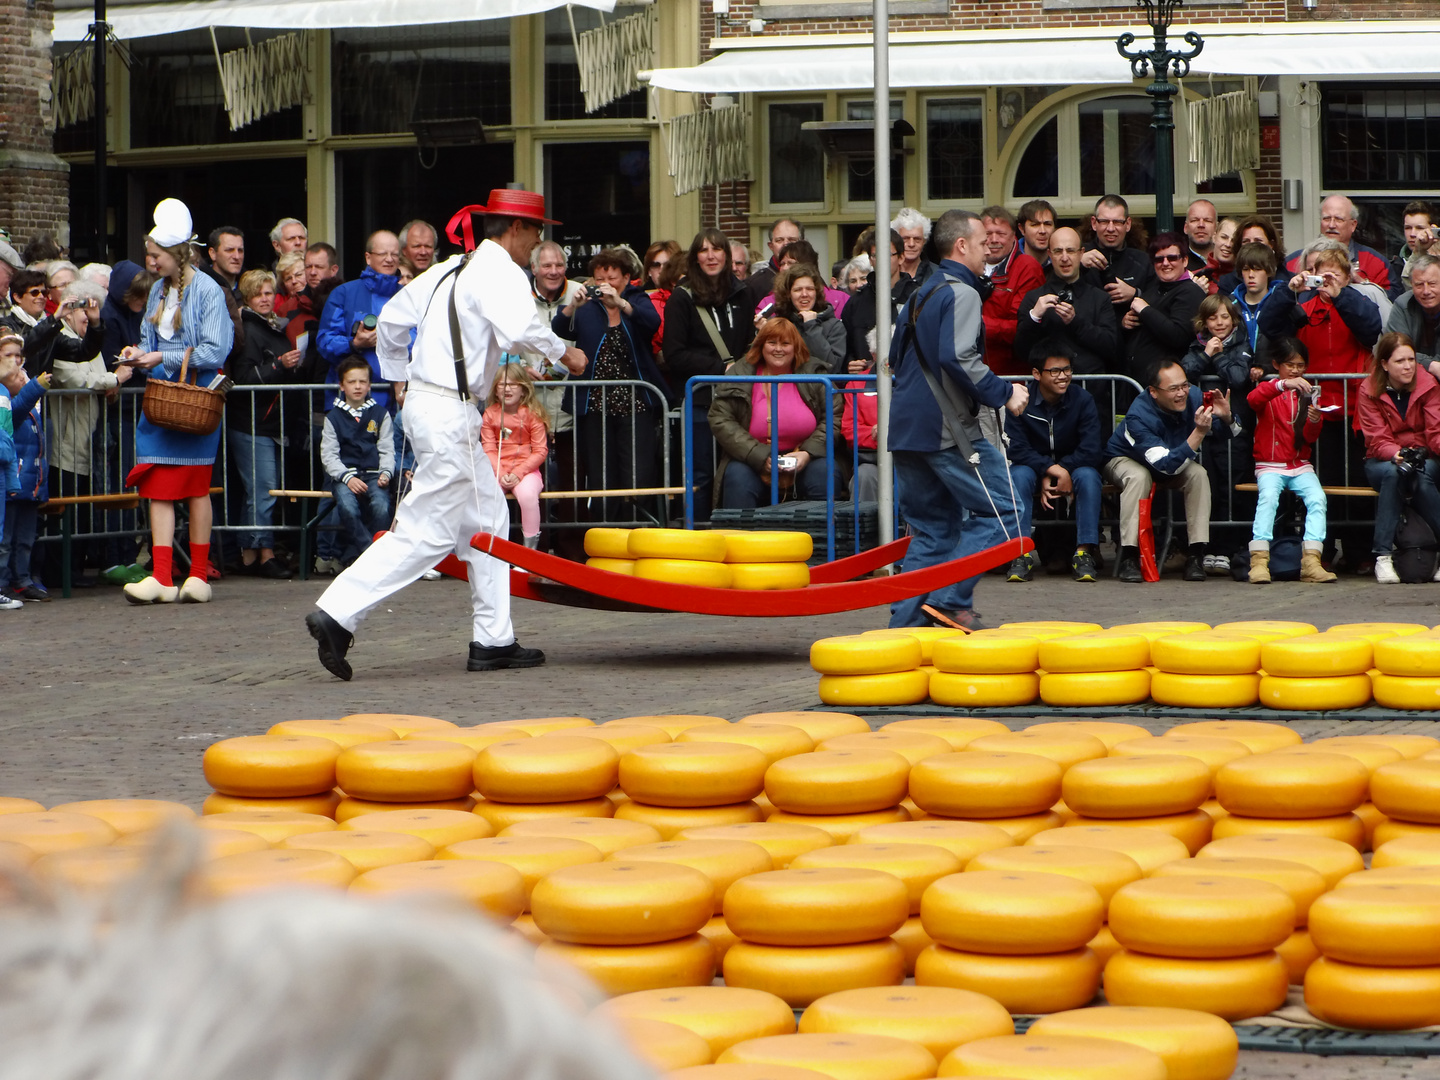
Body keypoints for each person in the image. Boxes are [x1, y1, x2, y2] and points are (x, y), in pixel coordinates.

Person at [305, 190, 586, 679]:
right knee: (425, 533)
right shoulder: (498, 270)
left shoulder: (453, 267)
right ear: (515, 229)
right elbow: (521, 325)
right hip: (450, 413)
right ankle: (337, 611)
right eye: (537, 231)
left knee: (491, 523)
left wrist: (399, 378)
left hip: (435, 405)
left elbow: (392, 318)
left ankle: (493, 640)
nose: (538, 242)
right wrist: (566, 353)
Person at [887, 208, 1027, 631]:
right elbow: (958, 358)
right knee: (1009, 515)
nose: (990, 250)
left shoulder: (919, 291)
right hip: (948, 431)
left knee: (932, 533)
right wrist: (1006, 394)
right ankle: (949, 601)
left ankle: (904, 632)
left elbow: (895, 357)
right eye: (984, 243)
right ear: (961, 245)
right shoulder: (961, 293)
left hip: (908, 427)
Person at [119, 198, 235, 605]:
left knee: (195, 486)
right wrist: (138, 354)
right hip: (162, 403)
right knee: (158, 486)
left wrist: (162, 357)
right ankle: (163, 576)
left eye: (155, 256)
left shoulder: (208, 291)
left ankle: (198, 576)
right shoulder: (156, 292)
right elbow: (149, 342)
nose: (149, 263)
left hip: (195, 402)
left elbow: (215, 351)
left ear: (177, 254)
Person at [554, 247, 666, 521]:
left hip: (635, 402)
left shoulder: (636, 300)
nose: (605, 284)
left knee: (637, 471)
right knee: (602, 472)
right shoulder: (587, 307)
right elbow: (559, 328)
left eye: (613, 278)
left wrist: (621, 303)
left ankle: (638, 525)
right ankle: (607, 529)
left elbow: (652, 322)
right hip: (595, 404)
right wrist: (573, 305)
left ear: (627, 277)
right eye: (599, 278)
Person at [1104, 357, 1232, 583]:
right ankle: (1129, 556)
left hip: (1172, 457)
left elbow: (1232, 433)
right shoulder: (1138, 416)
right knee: (1139, 476)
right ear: (1153, 391)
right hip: (1125, 459)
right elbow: (1166, 467)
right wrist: (1199, 433)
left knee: (1198, 474)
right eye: (1173, 389)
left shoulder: (1193, 395)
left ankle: (1195, 555)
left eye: (1184, 385)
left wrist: (1226, 416)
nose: (1182, 393)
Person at [662, 228, 755, 517]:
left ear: (728, 257)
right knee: (700, 475)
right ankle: (699, 537)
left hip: (740, 399)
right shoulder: (682, 298)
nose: (711, 255)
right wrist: (719, 369)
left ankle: (736, 532)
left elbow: (750, 343)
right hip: (701, 400)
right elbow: (674, 354)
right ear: (695, 258)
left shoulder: (745, 292)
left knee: (740, 469)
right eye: (703, 250)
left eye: (717, 249)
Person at [708, 317, 837, 508]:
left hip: (805, 457)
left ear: (796, 347)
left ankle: (818, 537)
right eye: (772, 343)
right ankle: (740, 537)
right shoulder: (739, 373)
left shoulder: (814, 374)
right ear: (761, 345)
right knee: (737, 479)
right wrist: (757, 455)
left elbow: (834, 416)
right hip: (751, 459)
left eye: (786, 343)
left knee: (825, 473)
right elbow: (720, 418)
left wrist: (808, 452)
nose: (778, 349)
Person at [1003, 338, 1103, 583]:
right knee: (1018, 474)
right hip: (1034, 467)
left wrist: (1063, 469)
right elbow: (1016, 449)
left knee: (1089, 476)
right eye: (1055, 371)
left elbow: (1091, 448)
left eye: (1067, 369)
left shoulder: (1082, 399)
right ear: (1036, 374)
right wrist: (1050, 468)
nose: (1063, 376)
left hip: (1073, 466)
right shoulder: (1020, 400)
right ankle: (1020, 553)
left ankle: (1084, 552)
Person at [227, 268, 302, 579]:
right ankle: (265, 553)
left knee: (258, 490)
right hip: (252, 421)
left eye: (269, 293)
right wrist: (278, 364)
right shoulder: (247, 329)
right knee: (264, 489)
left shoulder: (272, 328)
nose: (264, 299)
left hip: (268, 421)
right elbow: (242, 377)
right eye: (258, 293)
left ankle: (249, 555)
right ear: (247, 297)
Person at [1246, 337, 1335, 584]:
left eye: (1300, 365)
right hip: (1270, 463)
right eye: (1290, 364)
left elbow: (1308, 437)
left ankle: (1311, 562)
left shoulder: (1308, 392)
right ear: (1277, 364)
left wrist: (1316, 420)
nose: (1296, 370)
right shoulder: (1271, 387)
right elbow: (1253, 400)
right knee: (1268, 499)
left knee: (1318, 499)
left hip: (1299, 463)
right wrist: (1282, 384)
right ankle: (1259, 562)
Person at [1358, 332, 1440, 583]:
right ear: (1384, 364)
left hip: (1423, 455)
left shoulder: (1428, 385)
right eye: (1400, 361)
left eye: (1411, 359)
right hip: (1383, 458)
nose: (1408, 366)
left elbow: (1435, 432)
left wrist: (1416, 454)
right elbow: (1376, 438)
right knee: (1394, 475)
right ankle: (1382, 557)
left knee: (1423, 477)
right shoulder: (1368, 389)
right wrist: (1396, 454)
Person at [1182, 293, 1256, 571]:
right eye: (1213, 317)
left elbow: (1238, 377)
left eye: (1225, 316)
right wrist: (1206, 354)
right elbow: (1186, 371)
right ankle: (1209, 547)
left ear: (1233, 319)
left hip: (1232, 426)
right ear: (1204, 321)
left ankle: (1230, 546)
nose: (1219, 322)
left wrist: (1220, 354)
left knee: (1232, 486)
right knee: (1208, 486)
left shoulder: (1241, 343)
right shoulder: (1197, 344)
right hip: (1204, 428)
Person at [1014, 226, 1117, 379]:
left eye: (1070, 251)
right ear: (1049, 254)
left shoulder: (1099, 298)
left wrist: (1076, 323)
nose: (1064, 258)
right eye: (1058, 251)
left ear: (1081, 253)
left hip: (1091, 391)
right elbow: (1020, 351)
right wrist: (1034, 317)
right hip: (1047, 393)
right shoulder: (1035, 298)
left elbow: (1112, 347)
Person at [317, 230, 402, 407]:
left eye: (394, 254)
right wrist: (354, 344)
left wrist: (393, 339)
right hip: (349, 404)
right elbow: (325, 342)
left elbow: (422, 342)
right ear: (368, 257)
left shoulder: (408, 296)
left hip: (397, 400)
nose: (389, 259)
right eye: (382, 254)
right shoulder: (343, 294)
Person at [322, 356, 394, 564]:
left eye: (362, 381)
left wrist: (386, 472)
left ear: (370, 385)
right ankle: (371, 553)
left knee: (381, 505)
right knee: (348, 507)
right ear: (342, 386)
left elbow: (387, 448)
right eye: (352, 382)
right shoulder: (333, 418)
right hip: (345, 476)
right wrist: (346, 477)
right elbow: (329, 455)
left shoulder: (381, 414)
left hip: (374, 474)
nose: (358, 386)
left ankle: (359, 553)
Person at [1122, 232, 1207, 386]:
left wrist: (1145, 310)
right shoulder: (1153, 289)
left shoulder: (1191, 292)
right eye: (1159, 259)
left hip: (1167, 386)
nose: (1165, 263)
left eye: (1172, 258)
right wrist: (1126, 323)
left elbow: (1178, 335)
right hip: (1137, 383)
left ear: (1185, 260)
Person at [0, 333, 47, 603]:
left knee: (26, 537)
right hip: (10, 480)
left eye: (19, 356)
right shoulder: (7, 396)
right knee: (5, 539)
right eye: (9, 356)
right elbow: (17, 411)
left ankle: (23, 578)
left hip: (31, 480)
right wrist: (36, 387)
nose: (16, 363)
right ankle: (4, 581)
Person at [483, 364, 549, 549]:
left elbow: (540, 450)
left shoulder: (533, 415)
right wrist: (500, 472)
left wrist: (519, 472)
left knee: (528, 496)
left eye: (513, 384)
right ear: (495, 390)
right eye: (502, 384)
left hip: (526, 471)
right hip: (498, 469)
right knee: (488, 495)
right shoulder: (489, 414)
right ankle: (491, 548)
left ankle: (529, 551)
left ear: (523, 389)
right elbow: (488, 447)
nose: (508, 389)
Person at [979, 205, 1045, 376]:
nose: (994, 240)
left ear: (1013, 236)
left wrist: (978, 324)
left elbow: (1024, 327)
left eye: (1001, 234)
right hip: (972, 372)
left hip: (1010, 375)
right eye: (987, 234)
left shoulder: (1027, 268)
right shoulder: (968, 265)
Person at [1283, 194, 1392, 295]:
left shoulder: (1375, 263)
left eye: (1339, 219)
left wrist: (1360, 283)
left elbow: (1390, 303)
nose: (1331, 225)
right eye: (1326, 218)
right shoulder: (1292, 262)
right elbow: (1276, 304)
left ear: (1353, 225)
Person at [842, 229, 915, 372]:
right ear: (870, 260)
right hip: (866, 384)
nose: (881, 260)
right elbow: (845, 348)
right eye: (876, 255)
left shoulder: (917, 297)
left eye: (887, 254)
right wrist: (850, 364)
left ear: (901, 257)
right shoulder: (856, 302)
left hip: (908, 383)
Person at [1080, 194, 1152, 328]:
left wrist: (1135, 293)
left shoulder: (1142, 260)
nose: (1111, 228)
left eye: (1118, 222)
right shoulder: (1079, 255)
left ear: (1128, 224)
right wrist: (1078, 265)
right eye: (1104, 221)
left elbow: (1159, 299)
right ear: (1094, 223)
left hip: (1128, 343)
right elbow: (1057, 287)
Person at [770, 262, 846, 372]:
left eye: (810, 289)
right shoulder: (777, 323)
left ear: (817, 292)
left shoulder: (834, 326)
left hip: (818, 387)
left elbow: (832, 367)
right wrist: (760, 333)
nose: (804, 294)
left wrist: (811, 326)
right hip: (784, 386)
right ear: (788, 294)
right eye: (798, 290)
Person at [1386, 254, 1440, 374]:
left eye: (1432, 284)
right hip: (1409, 380)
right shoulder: (1402, 304)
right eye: (1419, 285)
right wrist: (1431, 365)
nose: (1426, 291)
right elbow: (1394, 350)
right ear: (1411, 284)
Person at [2, 269, 62, 375]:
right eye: (34, 293)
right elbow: (21, 346)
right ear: (17, 297)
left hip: (42, 390)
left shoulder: (49, 326)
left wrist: (95, 324)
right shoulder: (5, 324)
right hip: (15, 390)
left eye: (44, 293)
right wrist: (53, 319)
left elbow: (81, 351)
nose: (41, 297)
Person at [745, 219, 804, 309]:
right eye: (779, 240)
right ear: (771, 246)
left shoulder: (814, 279)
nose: (786, 244)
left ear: (802, 244)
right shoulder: (755, 285)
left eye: (792, 240)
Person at [1392, 201, 1437, 294]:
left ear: (1433, 229)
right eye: (1408, 228)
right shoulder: (1394, 266)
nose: (1412, 234)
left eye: (1419, 228)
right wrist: (1418, 251)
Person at [893, 207, 936, 288]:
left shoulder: (937, 274)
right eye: (905, 239)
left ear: (924, 241)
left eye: (917, 239)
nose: (911, 244)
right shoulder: (885, 274)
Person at [206, 227, 245, 304]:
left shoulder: (251, 287)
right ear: (213, 253)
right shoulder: (199, 287)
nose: (236, 256)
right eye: (229, 250)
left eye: (240, 250)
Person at [1183, 199, 1219, 274]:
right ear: (1186, 228)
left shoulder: (1229, 261)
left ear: (1217, 228)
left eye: (1207, 220)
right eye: (1195, 220)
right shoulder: (1178, 264)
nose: (1201, 225)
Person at [272, 250, 307, 318]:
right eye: (288, 279)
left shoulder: (319, 298)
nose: (294, 281)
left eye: (298, 275)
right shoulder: (277, 304)